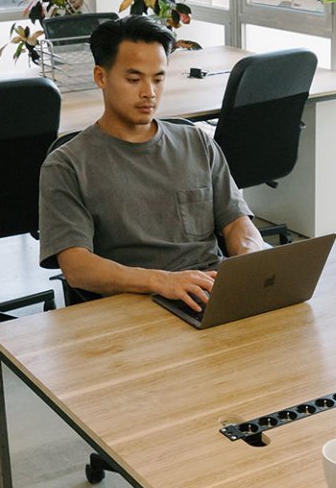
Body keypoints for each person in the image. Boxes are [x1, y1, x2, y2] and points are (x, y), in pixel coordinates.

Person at [39, 16, 268, 310]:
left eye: (158, 79)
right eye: (134, 80)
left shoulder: (196, 142)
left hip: (209, 293)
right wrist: (162, 282)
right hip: (133, 306)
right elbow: (77, 267)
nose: (149, 92)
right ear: (101, 77)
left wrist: (252, 259)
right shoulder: (67, 166)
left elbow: (237, 223)